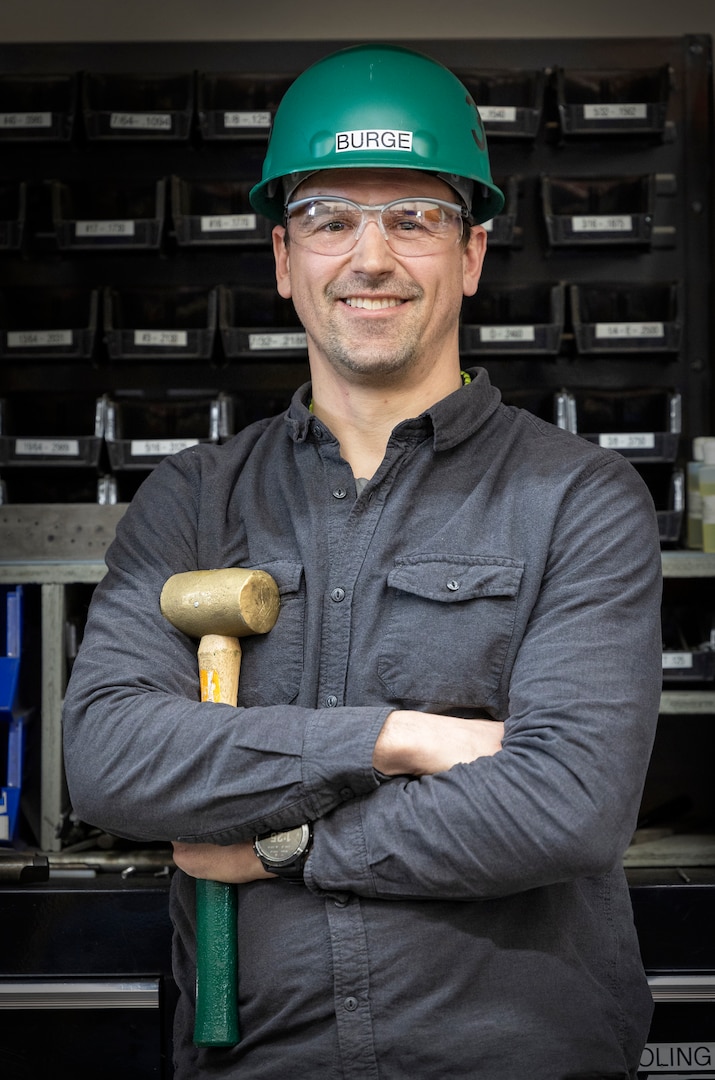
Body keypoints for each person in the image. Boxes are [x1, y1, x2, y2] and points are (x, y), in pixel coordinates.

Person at [62, 43, 663, 1080]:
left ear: (470, 255)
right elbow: (111, 757)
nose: (371, 257)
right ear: (284, 260)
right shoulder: (193, 502)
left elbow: (566, 805)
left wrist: (277, 848)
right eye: (331, 218)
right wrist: (400, 738)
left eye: (414, 219)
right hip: (261, 1061)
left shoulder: (581, 496)